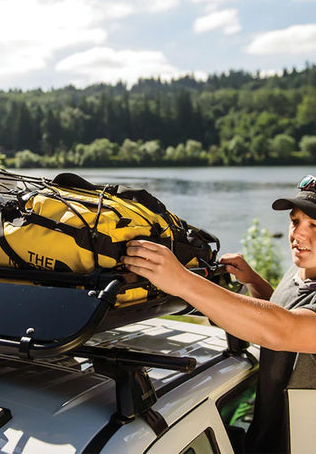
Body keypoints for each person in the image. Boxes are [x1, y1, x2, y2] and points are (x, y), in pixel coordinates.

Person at [122, 175, 316, 454]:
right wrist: (254, 282)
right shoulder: (304, 268)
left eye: (314, 225)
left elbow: (284, 330)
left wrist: (182, 281)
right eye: (295, 221)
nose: (298, 234)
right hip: (263, 438)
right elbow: (286, 313)